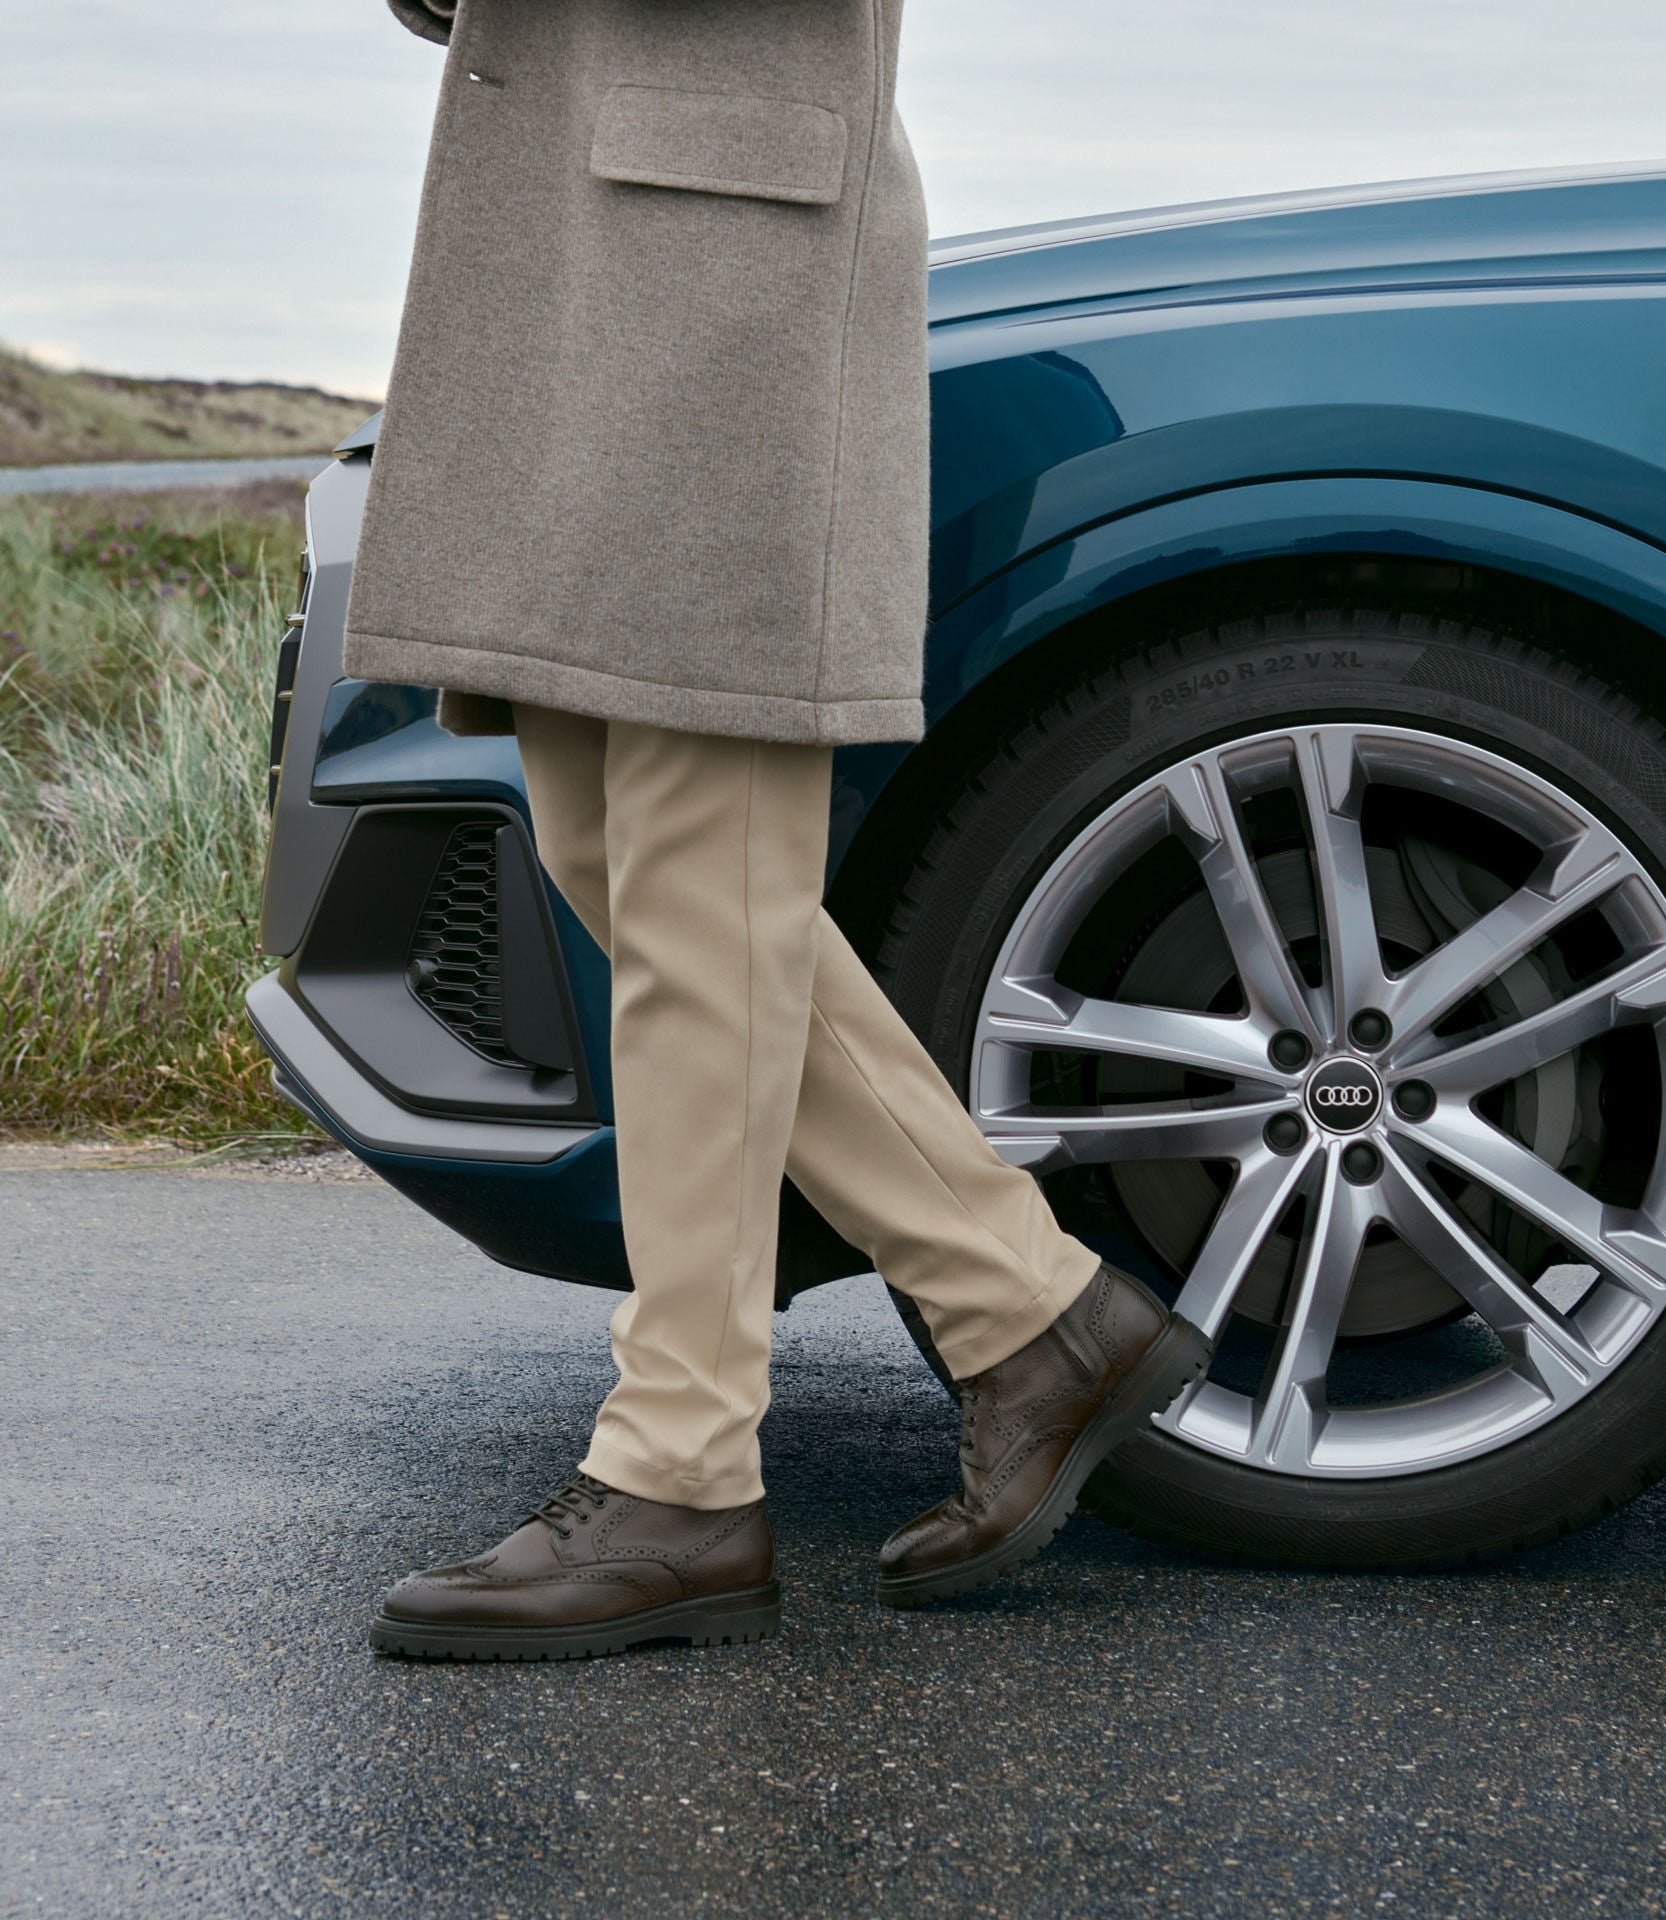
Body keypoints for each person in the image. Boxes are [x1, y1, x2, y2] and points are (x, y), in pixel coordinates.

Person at [347, 0, 1208, 1661]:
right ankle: (1027, 1314)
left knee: (698, 884)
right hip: (597, 245)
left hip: (715, 262)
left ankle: (682, 1465)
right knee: (637, 870)